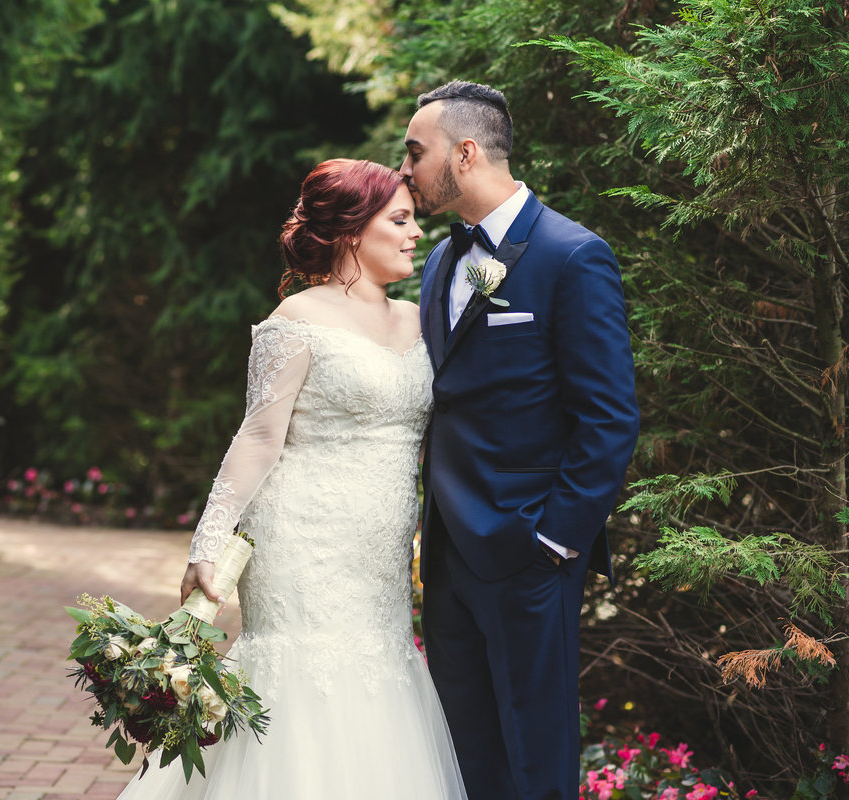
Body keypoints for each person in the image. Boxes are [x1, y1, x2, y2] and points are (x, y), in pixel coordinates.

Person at [116, 158, 468, 799]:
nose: (417, 233)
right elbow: (257, 435)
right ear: (353, 232)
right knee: (300, 678)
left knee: (378, 673)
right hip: (301, 539)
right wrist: (208, 540)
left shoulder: (421, 320)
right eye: (401, 220)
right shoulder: (296, 320)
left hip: (382, 551)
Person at [401, 79, 640, 800]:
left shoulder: (573, 256)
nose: (404, 169)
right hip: (447, 557)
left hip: (530, 555)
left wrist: (556, 541)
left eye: (415, 151)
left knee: (536, 758)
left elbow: (609, 417)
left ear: (465, 152)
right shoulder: (446, 262)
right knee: (466, 752)